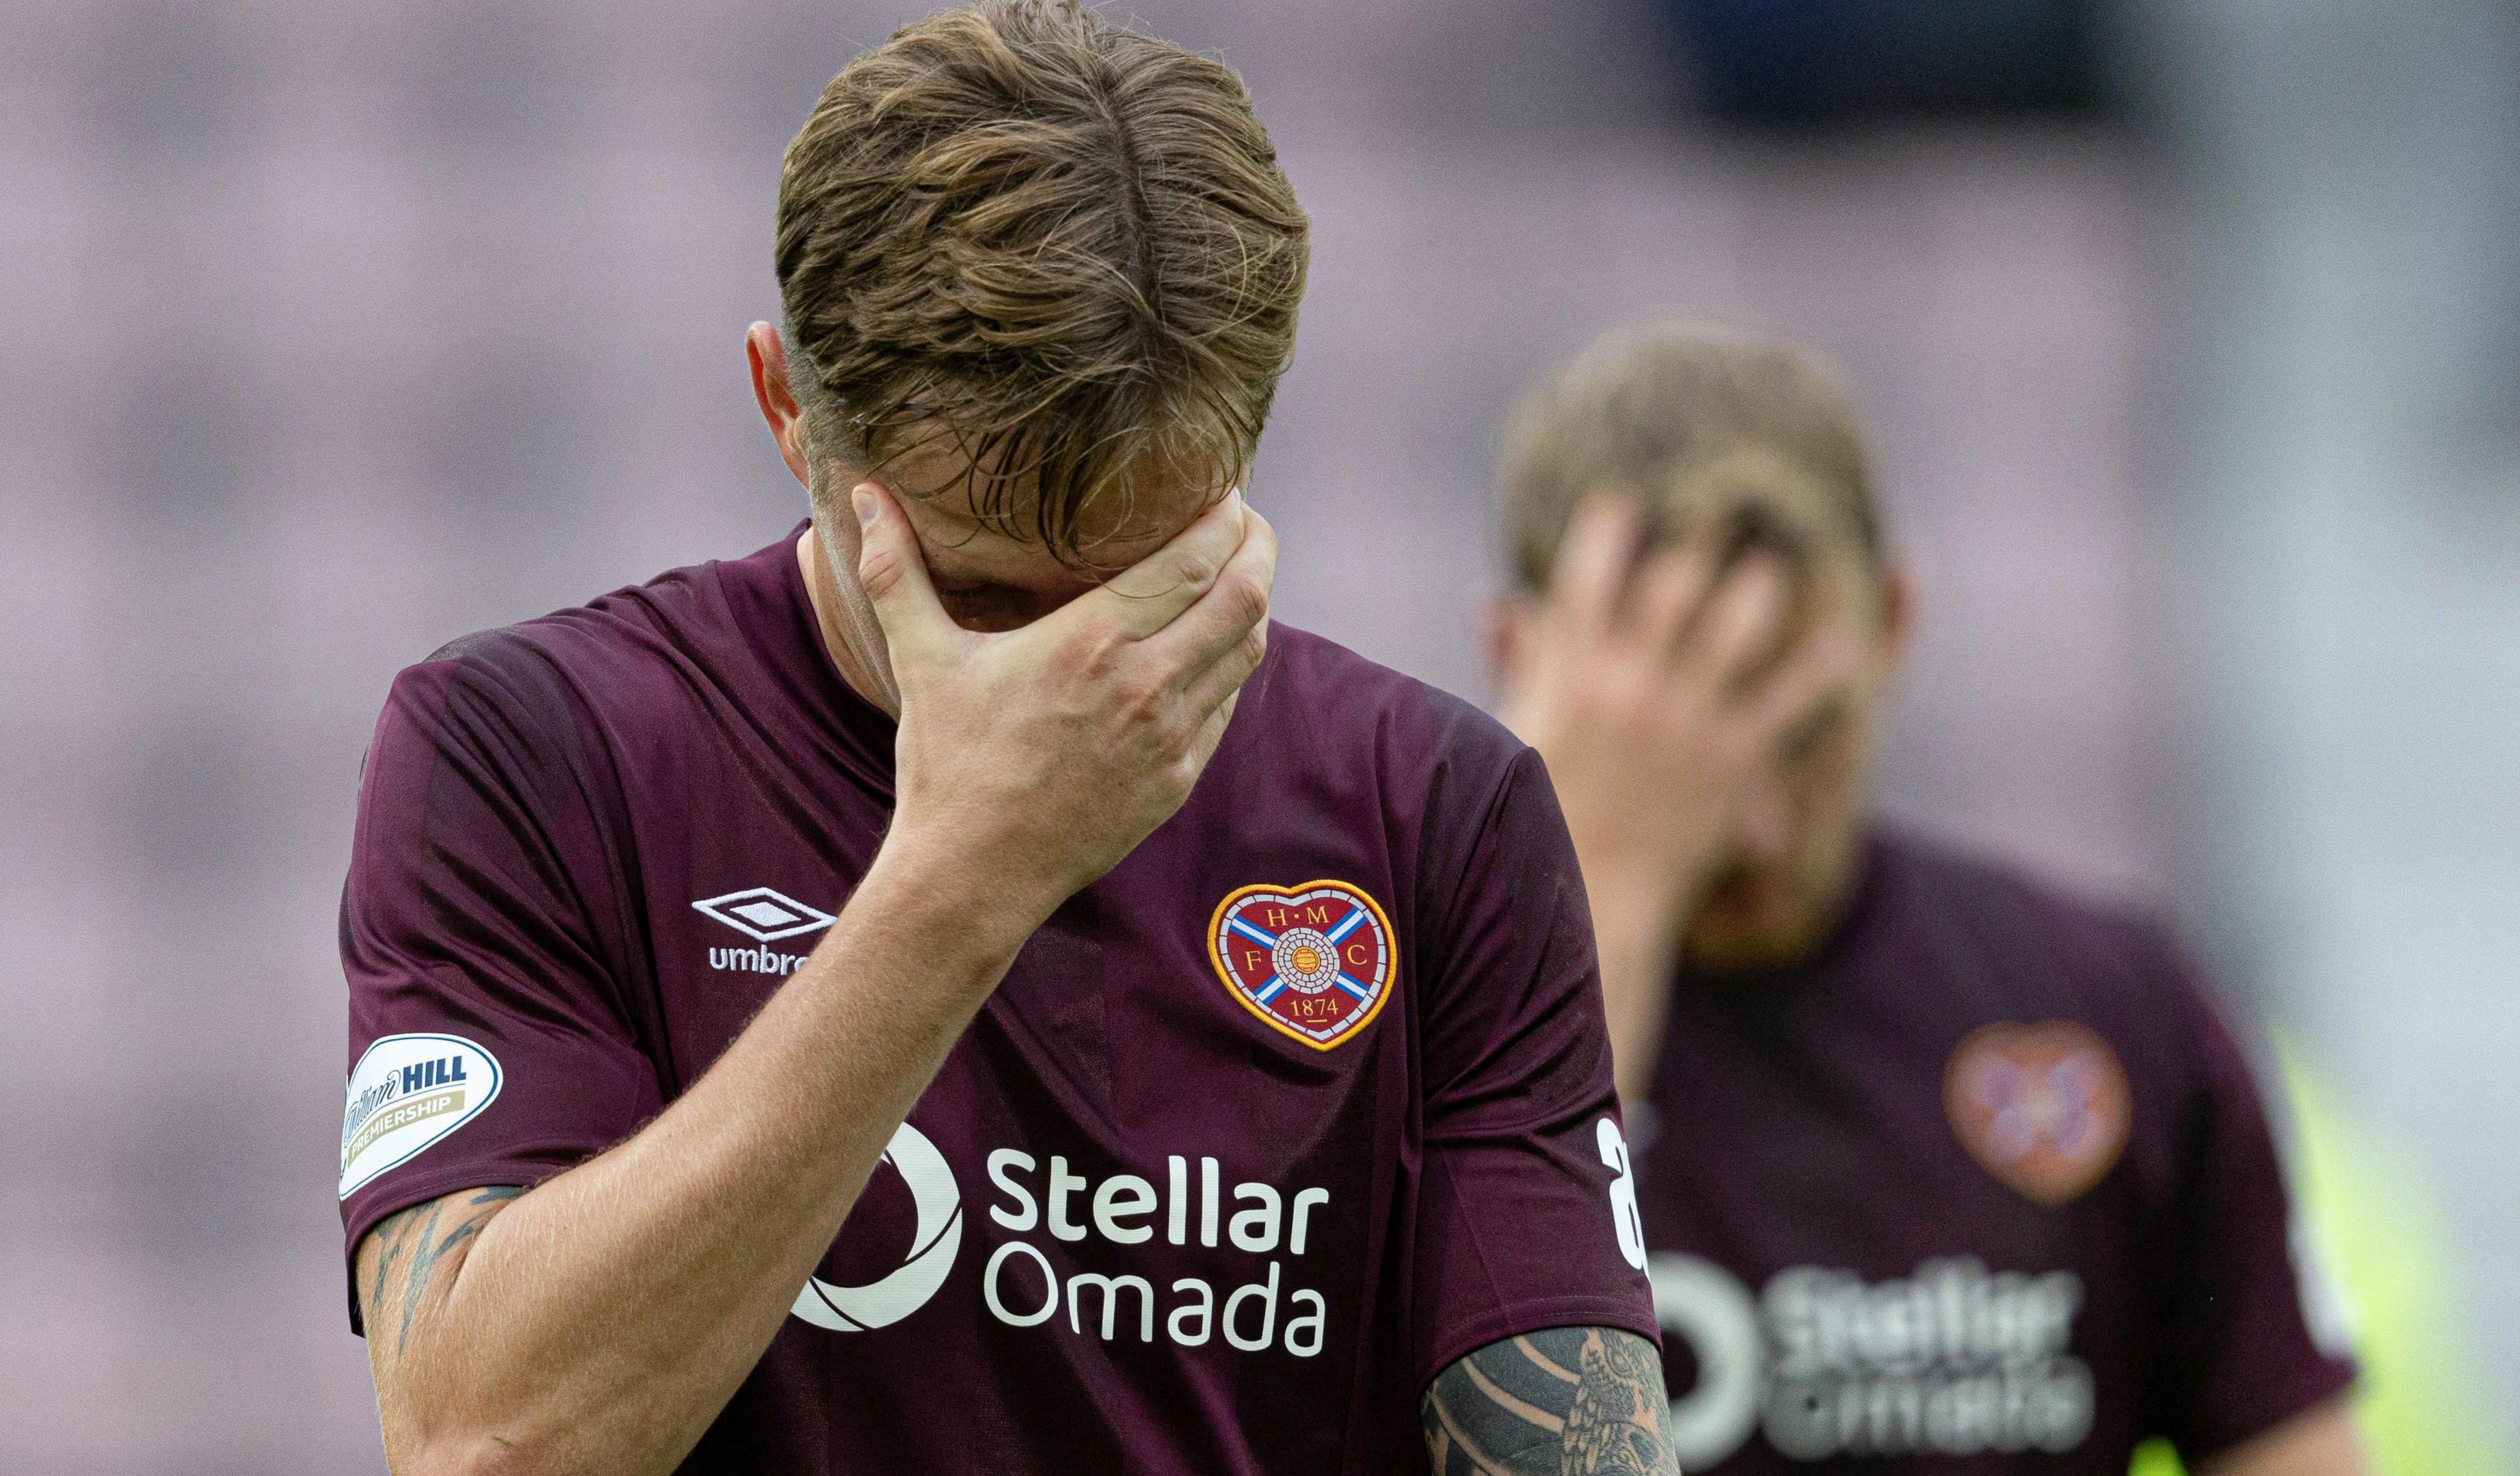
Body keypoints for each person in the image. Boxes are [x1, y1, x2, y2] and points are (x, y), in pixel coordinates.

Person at [336, 6, 1671, 1473]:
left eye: (1142, 578)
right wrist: (962, 875)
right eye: (976, 594)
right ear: (789, 408)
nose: (1069, 668)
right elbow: (484, 1445)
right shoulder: (532, 754)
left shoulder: (1435, 813)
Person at [1487, 322, 2371, 1475]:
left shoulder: (2107, 1003)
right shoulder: (1392, 1043)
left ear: (1897, 620)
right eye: (1680, 751)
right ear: (1514, 657)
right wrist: (1606, 889)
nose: (1746, 825)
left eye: (1797, 732)